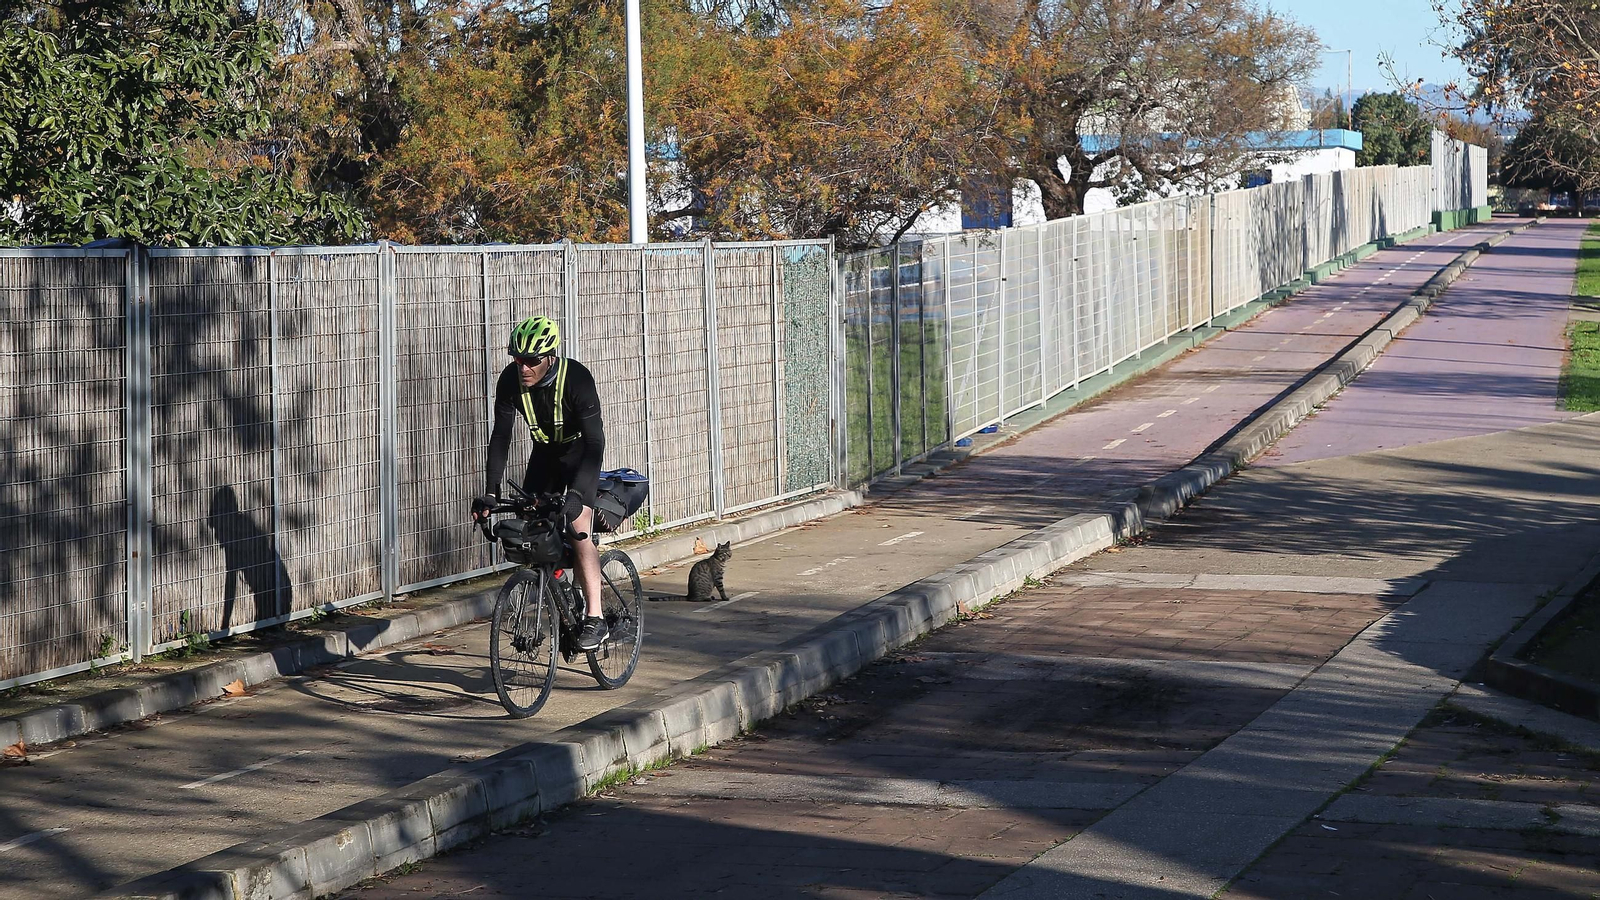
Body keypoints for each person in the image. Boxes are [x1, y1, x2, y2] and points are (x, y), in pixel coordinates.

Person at [471, 315, 610, 650]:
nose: (523, 367)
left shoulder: (576, 378)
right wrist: (491, 492)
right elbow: (500, 437)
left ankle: (596, 617)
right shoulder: (510, 381)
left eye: (531, 360)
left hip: (580, 454)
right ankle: (559, 583)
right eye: (517, 359)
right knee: (531, 525)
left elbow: (595, 442)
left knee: (578, 529)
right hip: (545, 455)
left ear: (550, 357)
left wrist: (577, 495)